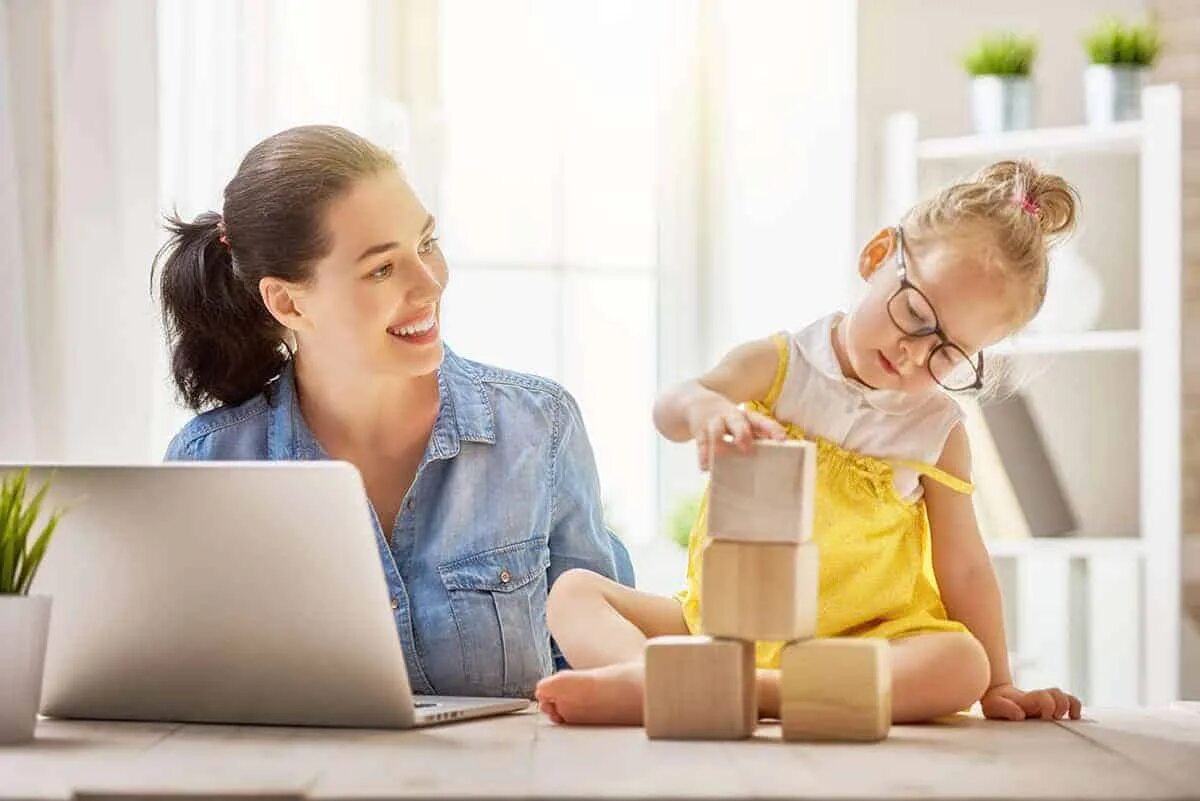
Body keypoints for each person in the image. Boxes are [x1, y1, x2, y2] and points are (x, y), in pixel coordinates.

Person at [535, 160, 1084, 725]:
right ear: (876, 257)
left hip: (863, 640)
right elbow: (670, 408)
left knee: (959, 664)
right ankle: (668, 678)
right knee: (572, 592)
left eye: (948, 354)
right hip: (723, 626)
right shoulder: (779, 365)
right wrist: (705, 408)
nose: (913, 354)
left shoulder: (937, 431)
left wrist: (997, 682)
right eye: (916, 314)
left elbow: (964, 566)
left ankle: (705, 690)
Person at [156, 125, 633, 699]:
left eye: (426, 243)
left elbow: (608, 676)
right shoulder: (212, 462)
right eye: (382, 269)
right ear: (287, 300)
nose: (429, 284)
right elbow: (192, 689)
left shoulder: (537, 426)